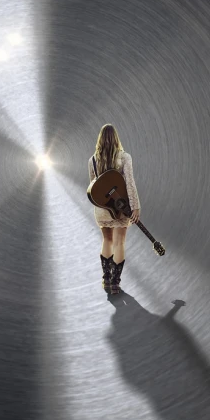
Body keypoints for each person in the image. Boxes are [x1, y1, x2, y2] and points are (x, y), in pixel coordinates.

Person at [88, 124, 140, 295]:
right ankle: (115, 284)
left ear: (100, 139)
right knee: (119, 243)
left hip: (102, 209)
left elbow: (94, 189)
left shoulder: (93, 160)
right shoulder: (125, 158)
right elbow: (130, 184)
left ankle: (106, 279)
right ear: (116, 138)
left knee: (107, 241)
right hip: (121, 207)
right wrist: (135, 207)